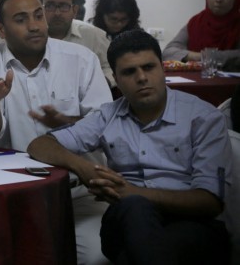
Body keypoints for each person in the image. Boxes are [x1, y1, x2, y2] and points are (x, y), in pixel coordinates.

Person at [27, 29, 231, 264]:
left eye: (149, 67)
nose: (141, 78)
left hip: (193, 223)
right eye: (129, 72)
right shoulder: (108, 116)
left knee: (135, 249)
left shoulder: (203, 117)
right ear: (116, 78)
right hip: (125, 219)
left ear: (163, 68)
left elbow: (210, 202)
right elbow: (40, 145)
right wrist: (83, 168)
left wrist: (133, 192)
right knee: (134, 209)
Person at [0, 0, 112, 264]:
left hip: (79, 193)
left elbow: (105, 126)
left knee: (96, 257)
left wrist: (67, 122)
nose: (34, 26)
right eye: (21, 20)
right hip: (14, 194)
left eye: (38, 16)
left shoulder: (81, 59)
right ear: (1, 30)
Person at [0, 0, 114, 86]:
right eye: (51, 6)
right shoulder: (20, 35)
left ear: (74, 10)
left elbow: (113, 66)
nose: (57, 13)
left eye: (63, 6)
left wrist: (99, 82)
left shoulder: (92, 36)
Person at [163, 0, 240, 63]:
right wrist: (201, 56)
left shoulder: (237, 24)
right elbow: (168, 52)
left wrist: (210, 57)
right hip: (195, 71)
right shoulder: (196, 22)